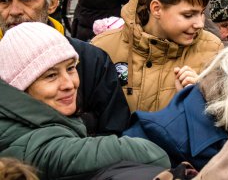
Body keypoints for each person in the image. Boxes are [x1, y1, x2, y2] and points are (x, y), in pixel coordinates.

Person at [0, 22, 170, 180]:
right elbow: (154, 154)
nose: (69, 84)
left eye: (70, 68)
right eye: (51, 75)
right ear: (19, 87)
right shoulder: (39, 148)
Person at [0, 0, 130, 136]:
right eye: (3, 0)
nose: (14, 11)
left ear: (52, 2)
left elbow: (116, 134)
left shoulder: (91, 60)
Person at [91, 0, 223, 112]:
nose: (199, 24)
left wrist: (199, 96)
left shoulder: (212, 50)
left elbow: (224, 118)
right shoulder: (102, 48)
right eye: (188, 15)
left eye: (201, 13)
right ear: (156, 9)